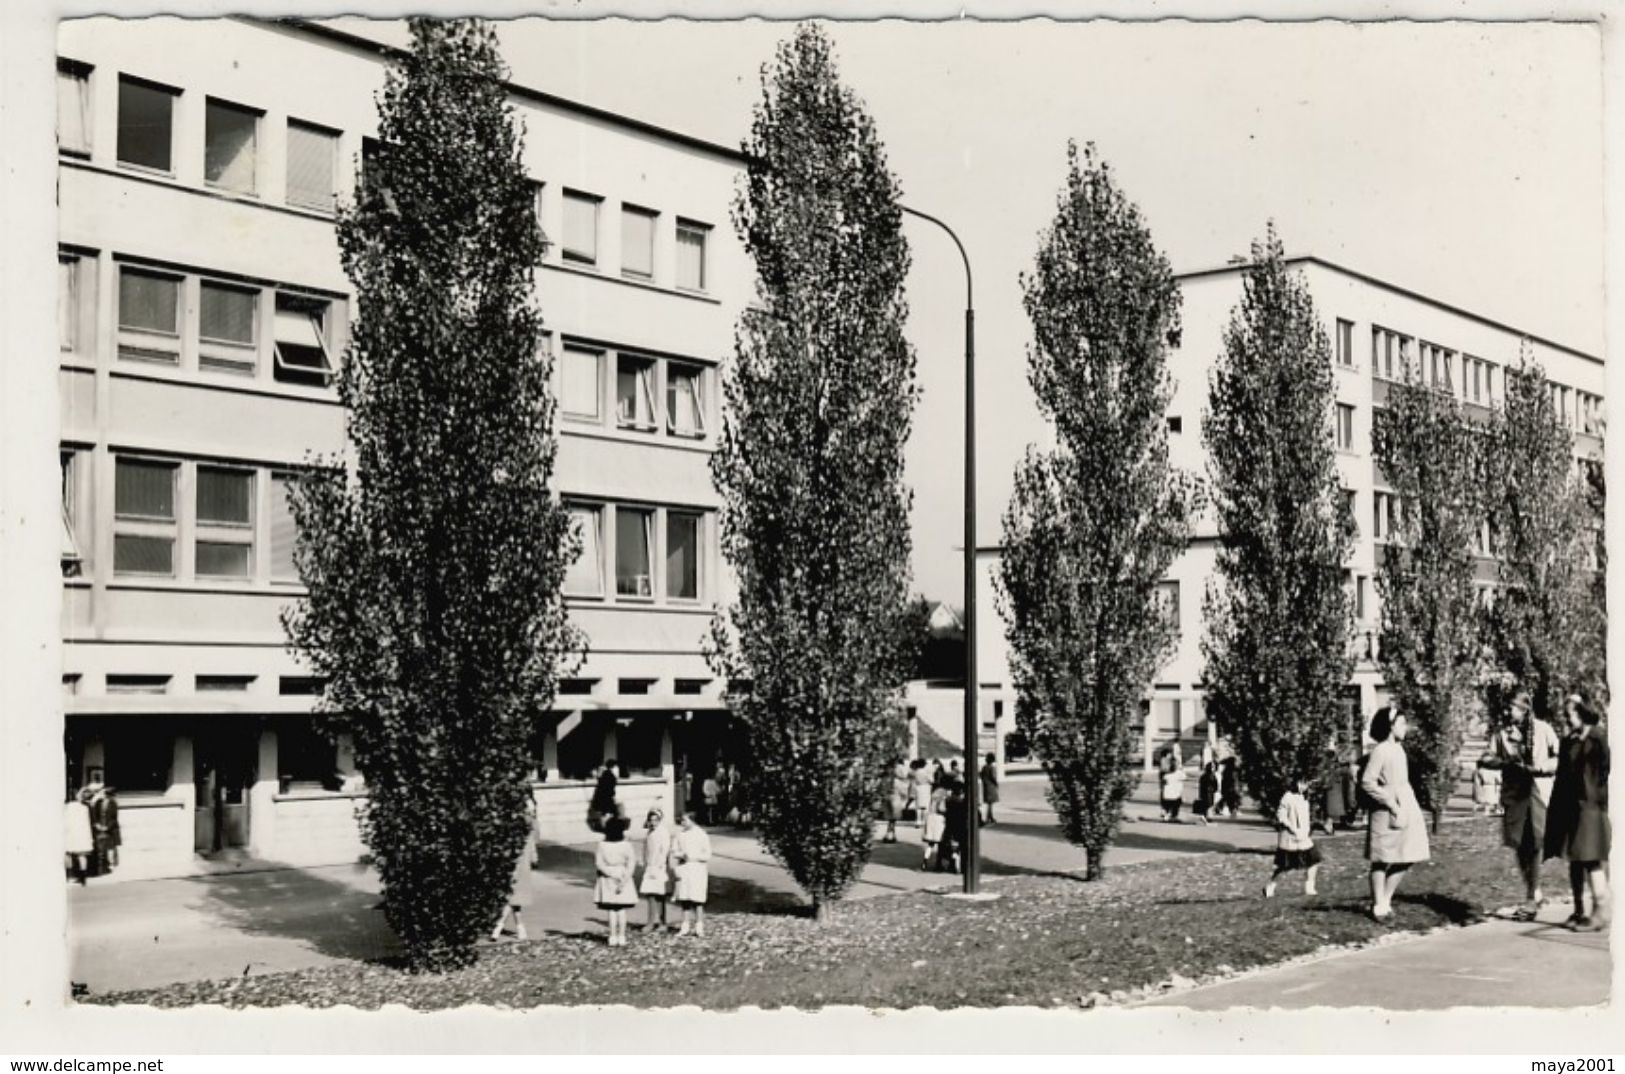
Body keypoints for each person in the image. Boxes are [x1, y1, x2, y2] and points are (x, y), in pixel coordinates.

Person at [1482, 691, 1561, 917]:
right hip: (1515, 794)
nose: (1508, 711)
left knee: (1535, 842)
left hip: (1538, 791)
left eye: (1513, 707)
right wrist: (1505, 763)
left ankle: (1530, 896)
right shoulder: (1502, 734)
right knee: (1519, 843)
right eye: (1508, 707)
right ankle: (1533, 891)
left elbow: (1559, 757)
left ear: (1525, 709)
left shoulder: (1543, 730)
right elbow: (1486, 757)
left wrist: (1542, 767)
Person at [1544, 696, 1610, 931]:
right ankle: (1579, 910)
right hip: (1571, 807)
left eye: (1569, 713)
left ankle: (1599, 913)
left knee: (1591, 859)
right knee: (1575, 860)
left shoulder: (1598, 737)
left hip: (1591, 806)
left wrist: (1600, 797)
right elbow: (1563, 776)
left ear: (1581, 713)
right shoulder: (1568, 741)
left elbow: (1606, 770)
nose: (1565, 718)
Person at [1361, 706, 1430, 922]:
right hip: (1386, 810)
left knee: (1409, 854)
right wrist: (1390, 802)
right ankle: (1379, 906)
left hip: (1406, 805)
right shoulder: (1381, 750)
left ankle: (1386, 899)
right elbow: (1367, 781)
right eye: (1401, 723)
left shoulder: (1399, 749)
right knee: (1382, 858)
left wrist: (1405, 804)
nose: (1405, 728)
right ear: (1390, 727)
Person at [1265, 774, 1322, 897]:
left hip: (1303, 837)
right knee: (1286, 866)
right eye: (1301, 783)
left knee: (1314, 859)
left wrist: (1306, 830)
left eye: (1306, 784)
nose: (1303, 786)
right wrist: (1291, 827)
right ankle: (1271, 886)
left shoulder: (1305, 797)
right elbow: (1281, 815)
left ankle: (1309, 886)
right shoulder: (1288, 797)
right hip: (1290, 838)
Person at [491, 796, 538, 942]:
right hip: (521, 865)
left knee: (513, 897)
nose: (532, 812)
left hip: (514, 863)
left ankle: (517, 927)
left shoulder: (513, 826)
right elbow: (533, 849)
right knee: (514, 897)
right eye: (530, 810)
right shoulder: (530, 826)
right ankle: (501, 926)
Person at [594, 816, 639, 947]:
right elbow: (631, 863)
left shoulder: (602, 845)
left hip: (607, 877)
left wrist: (609, 873)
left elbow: (599, 863)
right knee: (621, 909)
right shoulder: (626, 845)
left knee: (612, 909)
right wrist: (625, 878)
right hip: (622, 874)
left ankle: (612, 936)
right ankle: (622, 936)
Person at [671, 811, 712, 938]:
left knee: (697, 899)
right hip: (684, 868)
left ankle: (699, 926)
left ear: (692, 820)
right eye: (681, 820)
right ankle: (685, 925)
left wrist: (694, 857)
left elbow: (707, 854)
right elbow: (674, 850)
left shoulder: (701, 834)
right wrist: (681, 855)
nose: (682, 822)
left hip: (697, 869)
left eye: (685, 820)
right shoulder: (679, 834)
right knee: (685, 898)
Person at [639, 807, 674, 932]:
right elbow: (646, 850)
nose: (653, 823)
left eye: (656, 820)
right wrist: (645, 862)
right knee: (650, 895)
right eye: (651, 820)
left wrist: (658, 866)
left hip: (659, 867)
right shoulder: (649, 832)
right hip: (650, 866)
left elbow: (664, 850)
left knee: (660, 895)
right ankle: (650, 922)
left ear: (660, 820)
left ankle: (662, 922)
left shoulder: (663, 832)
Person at [87, 782, 120, 876]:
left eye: (104, 792)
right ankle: (105, 865)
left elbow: (114, 818)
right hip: (100, 827)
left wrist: (107, 827)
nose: (103, 793)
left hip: (109, 828)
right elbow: (97, 814)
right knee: (104, 846)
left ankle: (111, 863)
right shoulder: (99, 801)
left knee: (111, 847)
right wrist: (98, 825)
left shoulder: (112, 803)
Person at [63, 789, 93, 885]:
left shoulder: (67, 807)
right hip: (82, 835)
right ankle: (83, 878)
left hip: (70, 833)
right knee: (82, 856)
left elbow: (65, 822)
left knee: (68, 854)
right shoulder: (85, 808)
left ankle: (69, 876)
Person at [939, 778, 968, 873]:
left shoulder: (948, 800)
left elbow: (942, 810)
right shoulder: (963, 802)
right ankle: (962, 866)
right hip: (961, 826)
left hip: (950, 825)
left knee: (949, 845)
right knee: (963, 846)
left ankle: (950, 864)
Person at [588, 762, 621, 833]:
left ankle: (605, 827)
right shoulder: (611, 776)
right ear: (613, 767)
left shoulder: (604, 774)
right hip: (607, 798)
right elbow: (611, 789)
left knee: (605, 813)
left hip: (602, 798)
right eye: (616, 767)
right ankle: (606, 828)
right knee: (611, 813)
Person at [923, 778, 948, 870]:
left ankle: (925, 861)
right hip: (939, 818)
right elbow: (941, 808)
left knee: (931, 843)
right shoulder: (944, 793)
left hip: (930, 816)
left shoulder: (935, 792)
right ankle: (938, 863)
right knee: (940, 842)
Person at [883, 757, 908, 843]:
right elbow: (903, 792)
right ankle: (890, 835)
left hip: (887, 798)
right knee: (893, 819)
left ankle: (890, 834)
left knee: (890, 818)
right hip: (896, 799)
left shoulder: (886, 779)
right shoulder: (897, 781)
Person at [1159, 742, 1185, 822]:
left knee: (1167, 801)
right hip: (1171, 787)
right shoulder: (1165, 762)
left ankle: (1167, 814)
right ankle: (1171, 815)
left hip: (1168, 786)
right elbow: (1182, 776)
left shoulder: (1166, 762)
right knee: (1174, 801)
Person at [1473, 751, 1503, 816]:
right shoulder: (1496, 771)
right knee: (1495, 799)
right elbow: (1499, 780)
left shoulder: (1480, 770)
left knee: (1487, 800)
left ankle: (1487, 811)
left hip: (1484, 786)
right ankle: (1497, 810)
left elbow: (1476, 780)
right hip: (1494, 786)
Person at [910, 758, 934, 828]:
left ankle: (918, 821)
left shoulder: (916, 772)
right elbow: (931, 780)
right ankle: (924, 821)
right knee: (925, 806)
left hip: (918, 787)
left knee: (918, 806)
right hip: (926, 788)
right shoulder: (926, 772)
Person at [1193, 761, 1218, 825]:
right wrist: (1214, 789)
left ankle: (1206, 817)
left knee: (1206, 805)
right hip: (1209, 793)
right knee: (1208, 805)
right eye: (1212, 767)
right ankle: (1206, 817)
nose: (1213, 768)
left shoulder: (1204, 776)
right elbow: (1215, 784)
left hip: (1205, 793)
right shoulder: (1212, 776)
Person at [979, 753, 1000, 826]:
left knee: (989, 803)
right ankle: (989, 817)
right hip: (991, 786)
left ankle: (990, 817)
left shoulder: (984, 767)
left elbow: (981, 775)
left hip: (985, 786)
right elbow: (993, 777)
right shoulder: (992, 768)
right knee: (990, 803)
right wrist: (996, 784)